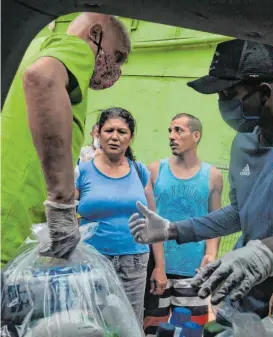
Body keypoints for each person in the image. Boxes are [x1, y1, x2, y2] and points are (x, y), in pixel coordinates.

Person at [128, 39, 273, 318]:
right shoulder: (243, 142)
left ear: (265, 92)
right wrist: (174, 229)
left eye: (228, 95)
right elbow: (240, 212)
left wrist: (269, 250)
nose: (222, 105)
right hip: (242, 289)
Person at [1, 13, 130, 266]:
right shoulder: (76, 47)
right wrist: (61, 202)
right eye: (118, 56)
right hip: (9, 223)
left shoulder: (32, 48)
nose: (116, 70)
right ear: (95, 33)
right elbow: (42, 78)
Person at [75, 107, 165, 323]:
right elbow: (67, 216)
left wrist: (160, 267)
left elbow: (154, 222)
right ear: (98, 134)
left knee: (129, 325)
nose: (115, 137)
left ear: (131, 137)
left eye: (122, 132)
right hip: (91, 262)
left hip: (134, 262)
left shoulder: (139, 171)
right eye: (109, 130)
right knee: (90, 324)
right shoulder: (82, 171)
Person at [144, 113, 223, 336]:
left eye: (179, 130)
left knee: (192, 330)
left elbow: (215, 221)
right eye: (170, 131)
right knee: (153, 329)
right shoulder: (155, 170)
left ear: (196, 135)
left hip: (194, 270)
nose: (171, 136)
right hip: (159, 268)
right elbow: (150, 219)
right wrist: (158, 266)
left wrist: (211, 254)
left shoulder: (213, 176)